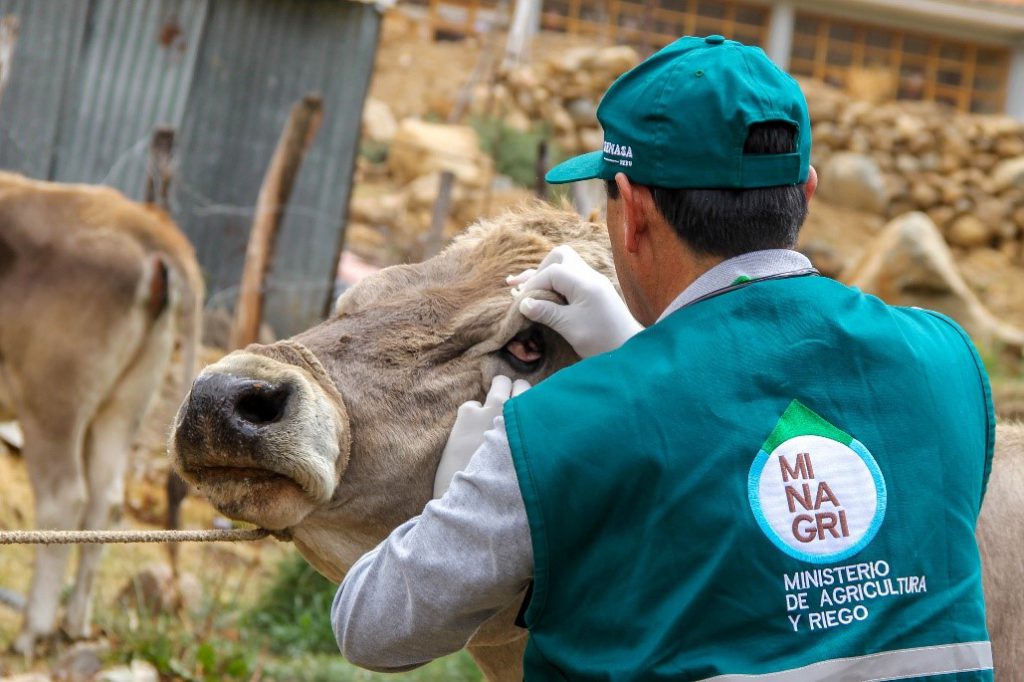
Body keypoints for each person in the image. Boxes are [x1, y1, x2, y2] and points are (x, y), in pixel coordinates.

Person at [332, 35, 995, 680]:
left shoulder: (553, 432)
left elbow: (372, 627)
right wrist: (643, 354)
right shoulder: (949, 363)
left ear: (633, 214)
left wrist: (450, 501)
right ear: (808, 192)